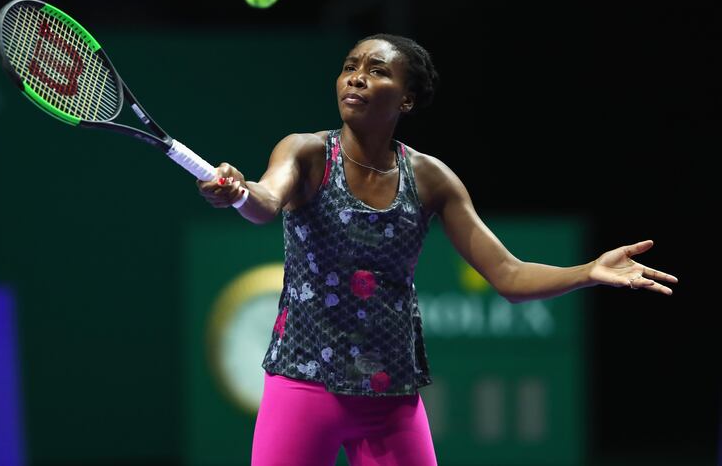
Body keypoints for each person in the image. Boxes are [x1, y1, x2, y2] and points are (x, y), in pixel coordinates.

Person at [196, 33, 678, 466]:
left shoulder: (430, 179)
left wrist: (589, 271)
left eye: (377, 71)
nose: (357, 79)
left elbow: (508, 275)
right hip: (301, 384)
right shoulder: (305, 152)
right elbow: (265, 202)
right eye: (350, 66)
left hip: (389, 398)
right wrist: (240, 191)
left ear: (406, 99)